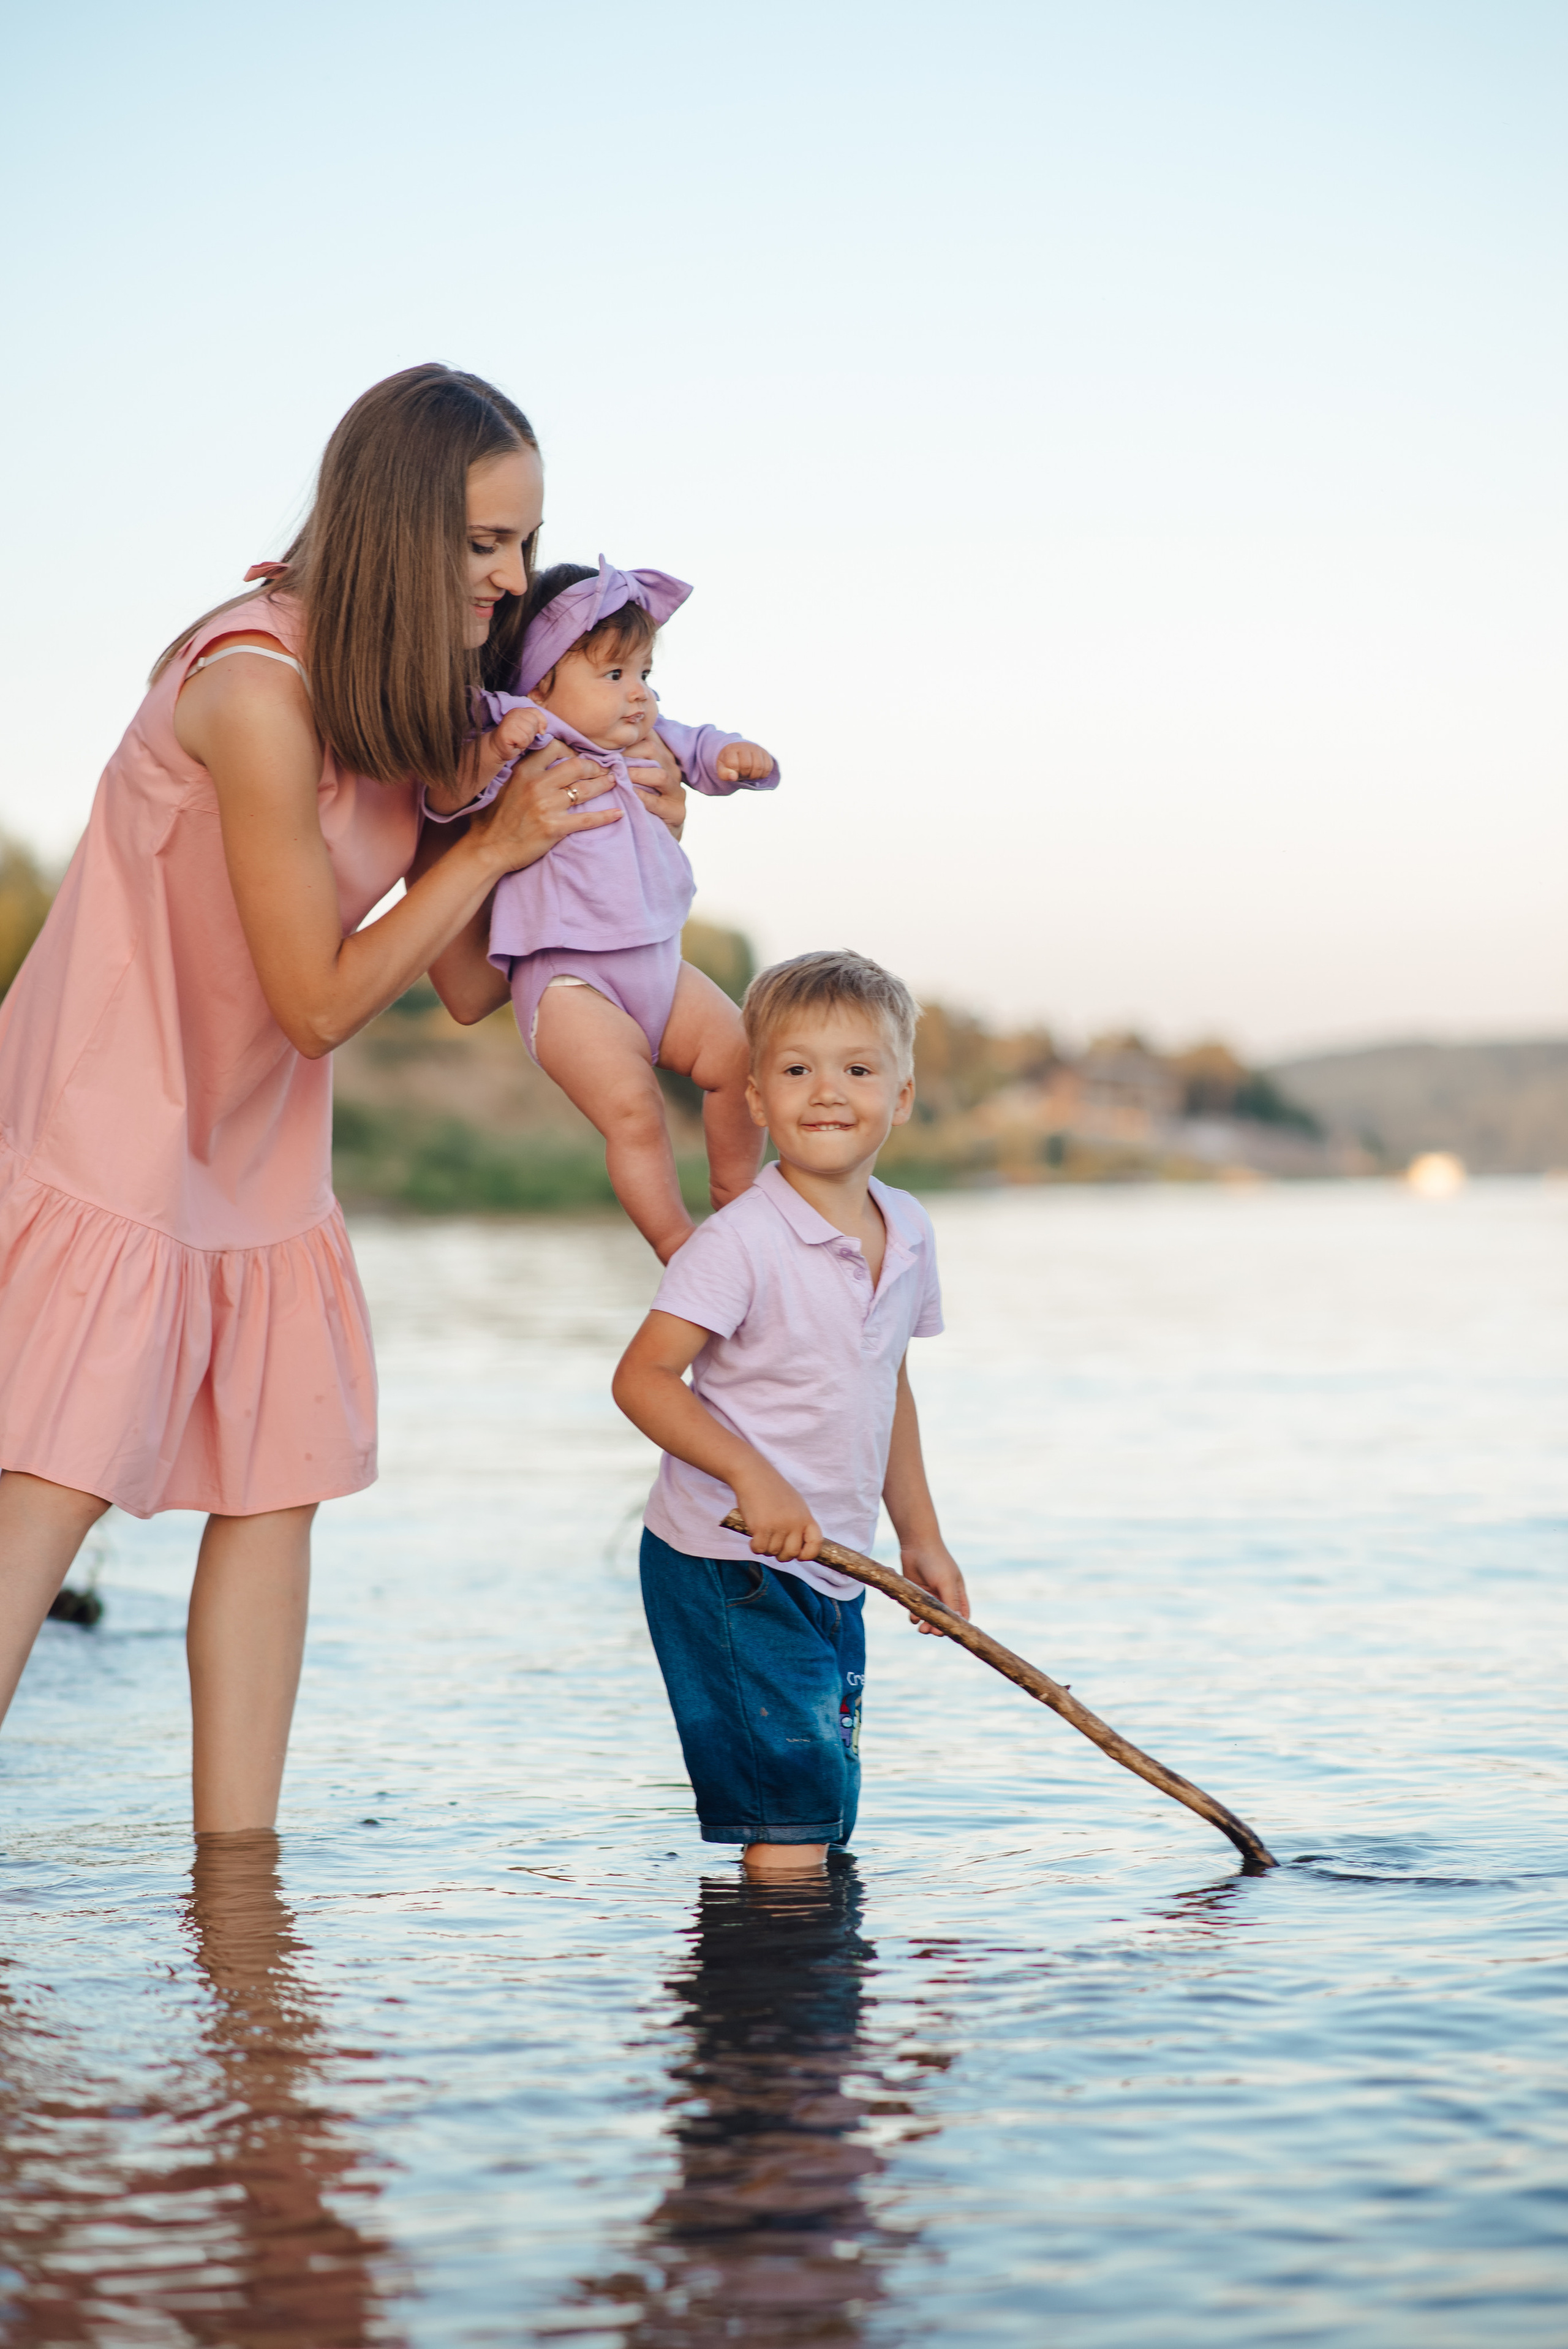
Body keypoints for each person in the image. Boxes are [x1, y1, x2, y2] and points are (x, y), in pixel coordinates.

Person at [0, 363, 648, 1836]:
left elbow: (474, 986)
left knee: (273, 1488)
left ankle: (242, 1893)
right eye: (479, 543)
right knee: (50, 1485)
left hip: (258, 1135)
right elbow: (316, 996)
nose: (505, 582)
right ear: (390, 526)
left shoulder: (404, 697)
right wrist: (482, 851)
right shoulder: (254, 686)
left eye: (520, 546)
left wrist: (535, 811)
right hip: (111, 1110)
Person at [612, 949, 970, 1875]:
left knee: (823, 1799)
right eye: (797, 1069)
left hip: (834, 1563)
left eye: (857, 1068)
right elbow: (643, 1379)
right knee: (793, 1814)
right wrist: (751, 1473)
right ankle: (780, 2011)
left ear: (902, 1097)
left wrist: (919, 1535)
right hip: (728, 1563)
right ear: (759, 1100)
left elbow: (884, 1384)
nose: (827, 1091)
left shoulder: (911, 1230)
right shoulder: (742, 1243)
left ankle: (812, 2004)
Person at [431, 556, 779, 1262]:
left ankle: (738, 1194)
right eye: (614, 676)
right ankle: (677, 1245)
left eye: (645, 676)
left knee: (743, 1054)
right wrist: (498, 745)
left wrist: (734, 758)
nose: (639, 696)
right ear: (538, 680)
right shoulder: (518, 730)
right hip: (567, 981)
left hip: (658, 960)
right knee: (633, 1109)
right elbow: (447, 793)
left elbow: (699, 748)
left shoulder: (647, 737)